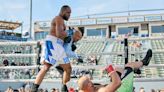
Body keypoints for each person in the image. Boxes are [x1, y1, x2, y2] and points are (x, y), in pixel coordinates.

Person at [32, 5, 72, 92]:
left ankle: (63, 88)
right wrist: (67, 34)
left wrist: (67, 38)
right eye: (68, 12)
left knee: (66, 68)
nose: (69, 15)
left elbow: (60, 35)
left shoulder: (61, 21)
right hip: (54, 44)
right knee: (49, 67)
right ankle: (34, 89)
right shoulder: (59, 18)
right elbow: (58, 34)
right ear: (63, 12)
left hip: (57, 45)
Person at [78, 49, 152, 92]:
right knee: (129, 65)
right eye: (89, 81)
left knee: (118, 70)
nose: (91, 80)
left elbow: (82, 87)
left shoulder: (86, 89)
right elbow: (117, 83)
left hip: (119, 88)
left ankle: (135, 70)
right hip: (123, 89)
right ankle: (144, 62)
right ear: (88, 85)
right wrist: (109, 68)